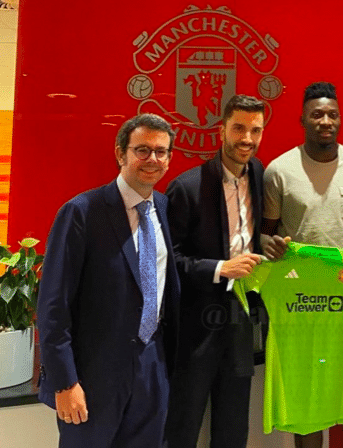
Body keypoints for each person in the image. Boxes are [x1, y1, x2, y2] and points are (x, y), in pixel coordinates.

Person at [261, 81, 343, 448]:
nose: (325, 121)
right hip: (301, 304)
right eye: (317, 114)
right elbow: (264, 234)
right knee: (310, 399)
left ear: (340, 119)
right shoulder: (279, 171)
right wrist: (268, 245)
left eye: (332, 114)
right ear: (302, 118)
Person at [36, 113, 180, 448]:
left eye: (161, 152)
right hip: (92, 376)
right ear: (120, 153)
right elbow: (54, 305)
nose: (152, 160)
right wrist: (64, 382)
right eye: (142, 150)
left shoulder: (163, 207)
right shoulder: (82, 212)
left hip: (152, 367)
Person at [163, 94, 266, 448]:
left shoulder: (259, 174)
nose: (247, 139)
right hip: (194, 326)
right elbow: (169, 260)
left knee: (233, 428)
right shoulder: (187, 187)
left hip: (239, 320)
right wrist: (222, 268)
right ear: (221, 128)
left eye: (255, 130)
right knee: (183, 425)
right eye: (239, 128)